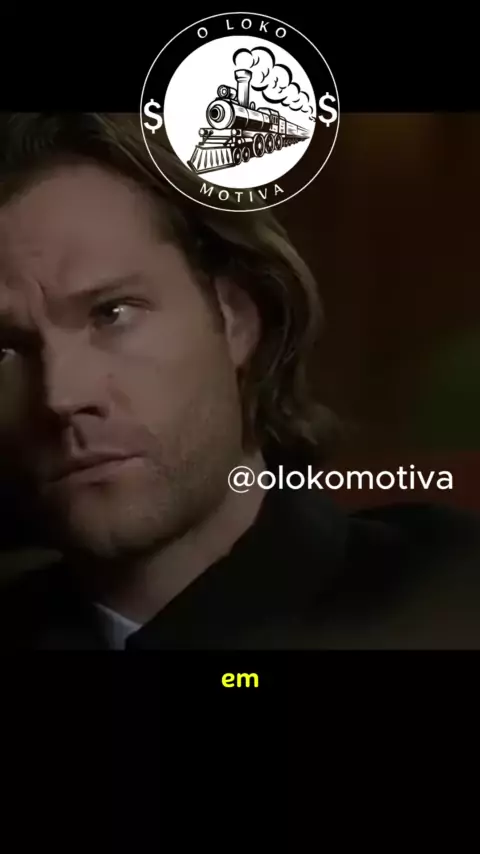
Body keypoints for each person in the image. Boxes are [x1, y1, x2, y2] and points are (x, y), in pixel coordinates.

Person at [0, 112, 478, 650]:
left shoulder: (449, 601)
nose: (61, 396)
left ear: (235, 319)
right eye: (5, 349)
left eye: (113, 313)